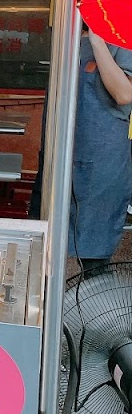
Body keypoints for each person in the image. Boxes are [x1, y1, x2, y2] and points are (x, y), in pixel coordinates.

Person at [67, 30, 132, 265]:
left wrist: (98, 42)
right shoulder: (69, 39)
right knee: (47, 250)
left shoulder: (122, 42)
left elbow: (124, 94)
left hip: (102, 157)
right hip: (63, 156)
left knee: (93, 255)